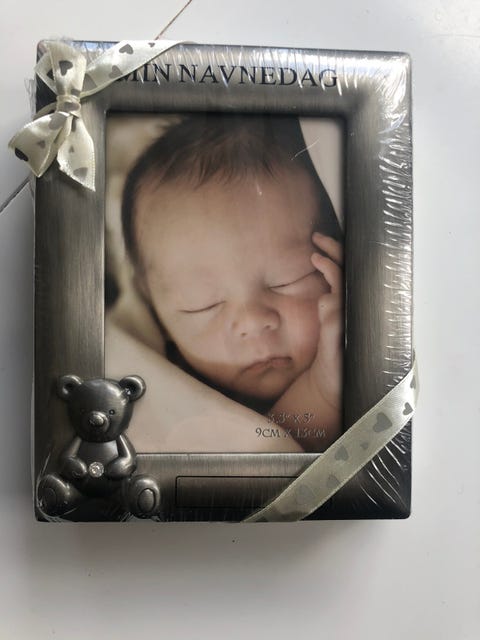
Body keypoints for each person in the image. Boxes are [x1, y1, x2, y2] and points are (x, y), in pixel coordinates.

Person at [118, 114, 343, 451]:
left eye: (287, 280)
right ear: (156, 313)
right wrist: (323, 391)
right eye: (202, 304)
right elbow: (257, 462)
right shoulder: (164, 388)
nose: (251, 322)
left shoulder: (347, 350)